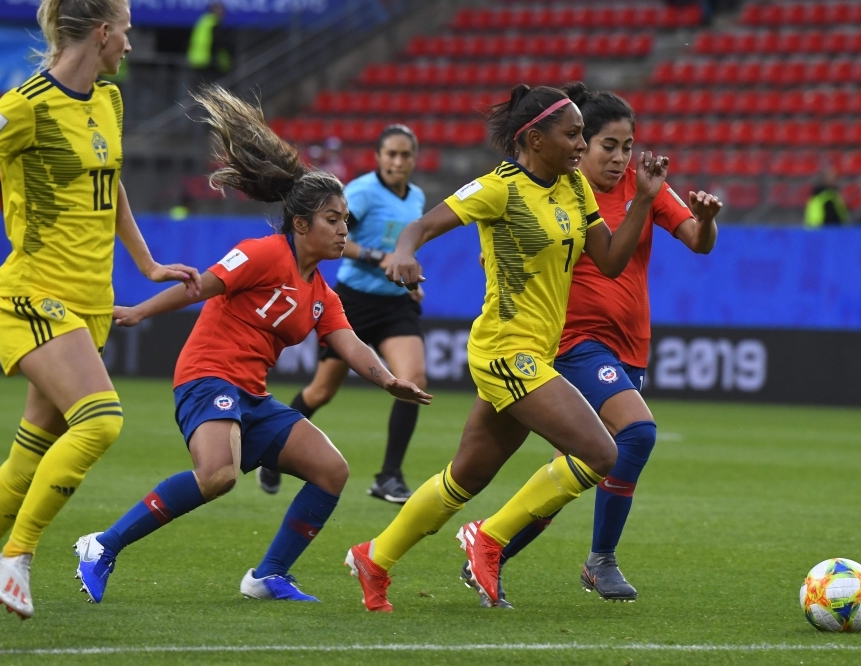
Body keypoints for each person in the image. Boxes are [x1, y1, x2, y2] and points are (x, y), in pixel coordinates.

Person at [72, 85, 430, 604]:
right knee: (218, 475)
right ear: (302, 224)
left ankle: (268, 576)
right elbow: (203, 285)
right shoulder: (262, 253)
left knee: (332, 470)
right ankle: (102, 546)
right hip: (206, 376)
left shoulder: (320, 292)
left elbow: (349, 344)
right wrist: (139, 311)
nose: (342, 230)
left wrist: (388, 380)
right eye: (334, 220)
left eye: (346, 221)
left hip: (250, 395)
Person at [345, 82, 669, 612]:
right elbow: (423, 225)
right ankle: (489, 538)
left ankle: (374, 557)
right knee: (602, 452)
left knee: (465, 476)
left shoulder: (574, 188)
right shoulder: (500, 187)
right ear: (535, 139)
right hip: (503, 349)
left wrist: (645, 201)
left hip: (536, 353)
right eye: (573, 136)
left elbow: (609, 261)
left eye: (584, 136)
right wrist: (403, 252)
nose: (581, 146)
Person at [0, 0, 202, 646]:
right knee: (103, 418)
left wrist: (147, 263)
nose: (133, 48)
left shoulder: (107, 101)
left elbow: (112, 188)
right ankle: (17, 554)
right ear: (104, 33)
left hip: (87, 304)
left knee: (27, 458)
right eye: (129, 34)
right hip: (32, 296)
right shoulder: (24, 105)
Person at [463, 89, 722, 607]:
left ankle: (490, 547)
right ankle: (600, 559)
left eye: (628, 145)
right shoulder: (565, 187)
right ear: (583, 144)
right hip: (574, 343)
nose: (619, 156)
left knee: (575, 470)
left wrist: (707, 217)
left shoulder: (642, 185)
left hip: (631, 346)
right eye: (608, 144)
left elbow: (698, 240)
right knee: (638, 433)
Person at [259, 125, 427, 503]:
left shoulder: (416, 197)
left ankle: (389, 476)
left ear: (414, 159)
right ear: (379, 157)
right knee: (321, 391)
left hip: (396, 302)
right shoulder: (363, 192)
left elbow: (401, 247)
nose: (398, 161)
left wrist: (409, 278)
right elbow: (336, 233)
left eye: (405, 155)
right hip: (354, 301)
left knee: (413, 378)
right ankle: (271, 452)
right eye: (391, 154)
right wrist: (375, 256)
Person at [187, 2, 232, 86]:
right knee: (210, 88)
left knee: (199, 88)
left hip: (197, 59)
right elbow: (218, 43)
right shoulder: (214, 24)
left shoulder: (203, 21)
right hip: (209, 62)